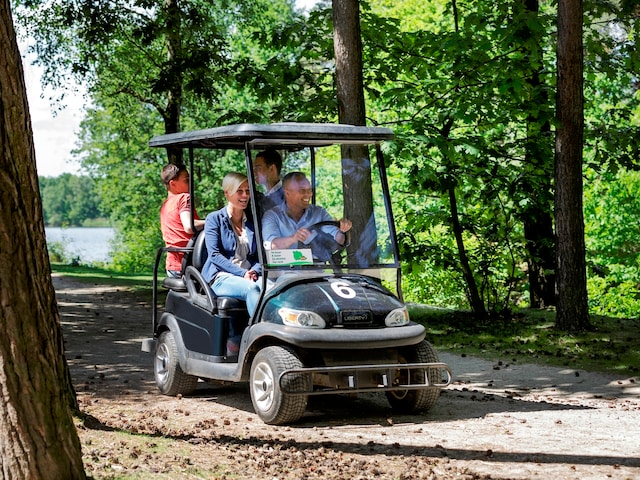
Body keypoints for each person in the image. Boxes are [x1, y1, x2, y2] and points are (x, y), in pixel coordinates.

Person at [201, 172, 264, 356]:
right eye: (240, 191)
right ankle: (260, 338)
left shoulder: (252, 222)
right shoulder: (215, 219)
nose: (245, 196)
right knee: (252, 289)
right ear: (227, 194)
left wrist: (254, 270)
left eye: (247, 191)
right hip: (220, 276)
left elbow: (259, 256)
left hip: (248, 275)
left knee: (269, 288)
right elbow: (214, 255)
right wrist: (242, 273)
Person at [262, 172, 352, 260]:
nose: (309, 194)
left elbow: (339, 240)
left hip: (316, 270)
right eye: (302, 191)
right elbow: (271, 245)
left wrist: (343, 229)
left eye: (309, 190)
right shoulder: (272, 215)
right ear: (287, 193)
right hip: (283, 271)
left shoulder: (319, 212)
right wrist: (294, 238)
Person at [160, 164, 205, 278]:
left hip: (172, 267)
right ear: (173, 183)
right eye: (186, 180)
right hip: (188, 265)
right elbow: (189, 226)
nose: (190, 182)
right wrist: (212, 221)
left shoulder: (165, 205)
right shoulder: (184, 198)